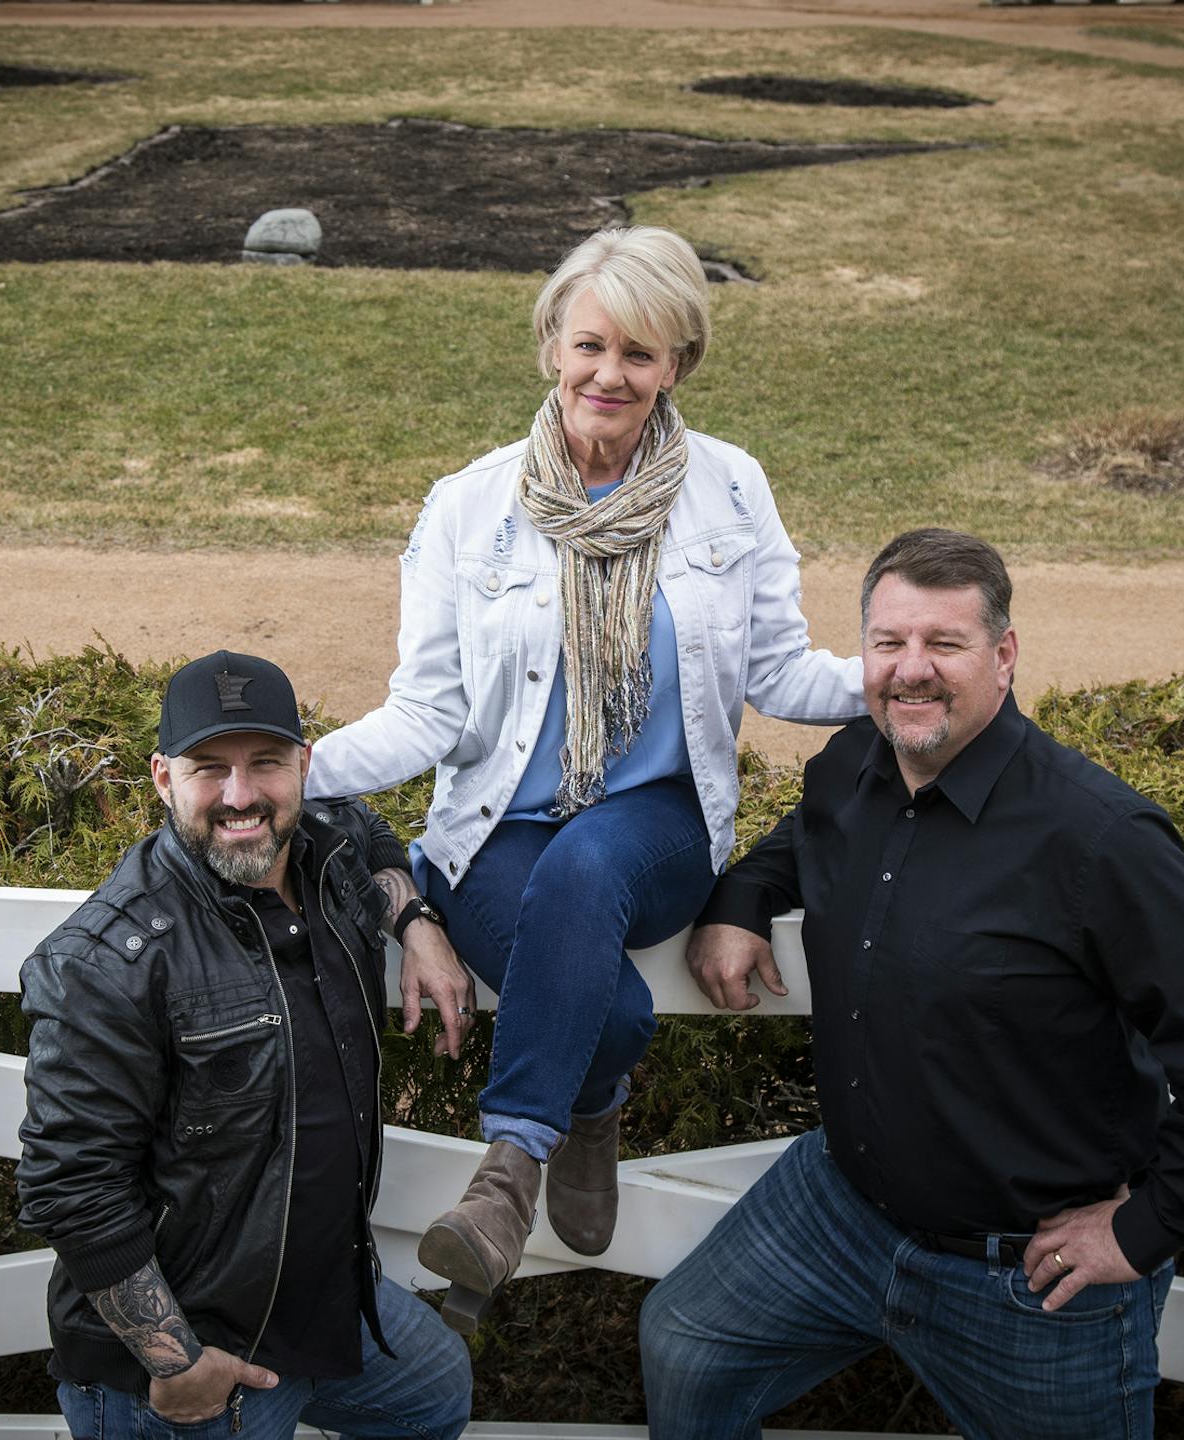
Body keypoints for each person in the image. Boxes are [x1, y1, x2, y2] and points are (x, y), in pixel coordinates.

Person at [305, 225, 863, 1332]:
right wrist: (291, 767)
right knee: (597, 997)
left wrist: (904, 682)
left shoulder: (731, 489)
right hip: (494, 826)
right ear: (552, 346)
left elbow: (777, 671)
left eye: (641, 354)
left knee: (590, 860)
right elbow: (433, 712)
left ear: (678, 367)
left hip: (655, 822)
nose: (611, 375)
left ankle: (506, 1173)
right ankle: (594, 1100)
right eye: (591, 346)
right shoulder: (467, 505)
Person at [642, 528, 1184, 1439]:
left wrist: (1148, 1229)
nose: (912, 671)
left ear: (1004, 656)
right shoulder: (850, 772)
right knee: (684, 1345)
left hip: (1026, 1274)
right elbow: (796, 848)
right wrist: (741, 898)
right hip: (841, 1209)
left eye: (944, 645)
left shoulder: (1099, 840)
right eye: (889, 644)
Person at [16, 650, 477, 1440]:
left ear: (304, 765)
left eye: (265, 763)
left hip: (325, 1297)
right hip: (196, 1356)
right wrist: (173, 1360)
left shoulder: (325, 856)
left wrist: (418, 924)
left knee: (434, 1395)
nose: (240, 796)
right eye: (209, 769)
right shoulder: (105, 961)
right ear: (163, 778)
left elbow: (366, 831)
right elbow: (70, 1185)